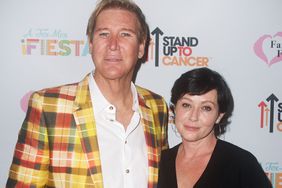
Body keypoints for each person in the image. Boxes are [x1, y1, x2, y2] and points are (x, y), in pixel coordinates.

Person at [7, 0, 168, 187]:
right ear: (90, 44)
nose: (113, 45)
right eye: (104, 34)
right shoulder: (48, 106)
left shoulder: (156, 106)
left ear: (141, 47)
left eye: (125, 34)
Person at [157, 67, 272, 188]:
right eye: (186, 105)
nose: (193, 117)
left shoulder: (241, 164)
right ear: (174, 109)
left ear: (218, 116)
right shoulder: (161, 161)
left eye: (206, 108)